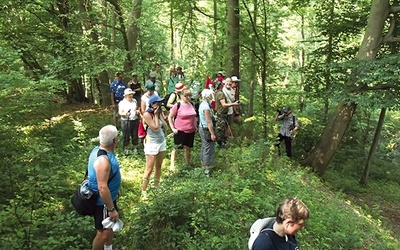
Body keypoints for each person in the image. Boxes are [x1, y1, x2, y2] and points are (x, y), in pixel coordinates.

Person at [87, 125, 121, 250]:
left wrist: (115, 191)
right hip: (103, 203)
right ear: (115, 140)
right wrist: (111, 209)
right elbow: (102, 187)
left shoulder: (102, 151)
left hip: (109, 199)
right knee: (103, 233)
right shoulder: (103, 160)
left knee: (110, 226)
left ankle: (108, 248)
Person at [141, 95, 168, 199]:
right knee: (149, 169)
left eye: (160, 103)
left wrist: (161, 116)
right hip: (151, 144)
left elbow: (165, 127)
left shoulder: (159, 112)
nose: (159, 104)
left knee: (159, 166)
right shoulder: (147, 114)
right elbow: (155, 128)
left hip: (161, 142)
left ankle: (156, 188)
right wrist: (156, 115)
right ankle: (144, 191)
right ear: (152, 104)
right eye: (157, 103)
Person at [168, 88, 197, 170]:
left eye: (189, 96)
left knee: (188, 147)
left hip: (191, 130)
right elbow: (170, 117)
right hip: (180, 130)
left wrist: (195, 125)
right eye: (186, 96)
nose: (188, 98)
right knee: (176, 147)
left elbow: (194, 116)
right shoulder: (177, 105)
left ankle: (188, 164)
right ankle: (172, 164)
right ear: (181, 96)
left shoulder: (191, 104)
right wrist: (173, 128)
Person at [214, 79, 239, 148]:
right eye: (221, 84)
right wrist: (234, 104)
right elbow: (224, 104)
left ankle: (223, 144)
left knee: (225, 128)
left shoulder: (218, 92)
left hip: (223, 113)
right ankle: (220, 146)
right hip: (220, 114)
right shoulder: (220, 93)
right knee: (220, 131)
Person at [198, 89, 216, 176]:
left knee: (204, 146)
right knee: (208, 148)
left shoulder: (203, 104)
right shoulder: (206, 107)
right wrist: (212, 133)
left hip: (202, 128)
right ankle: (207, 169)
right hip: (206, 129)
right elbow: (208, 121)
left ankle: (203, 163)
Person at [118, 88, 140, 155]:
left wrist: (137, 111)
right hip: (126, 121)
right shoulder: (122, 103)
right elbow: (120, 112)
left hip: (134, 120)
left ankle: (135, 148)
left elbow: (136, 108)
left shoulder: (134, 101)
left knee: (135, 134)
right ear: (125, 95)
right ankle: (126, 148)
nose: (131, 95)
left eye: (131, 94)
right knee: (126, 135)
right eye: (129, 94)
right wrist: (125, 114)